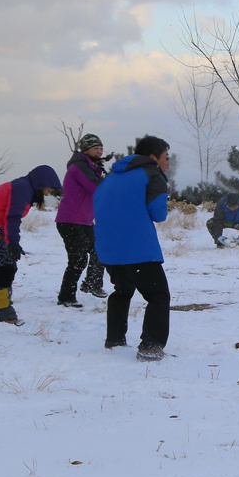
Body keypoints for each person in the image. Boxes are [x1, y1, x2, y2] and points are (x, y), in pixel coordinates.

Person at [93, 135, 172, 362]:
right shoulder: (152, 174)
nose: (168, 163)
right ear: (153, 157)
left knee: (122, 290)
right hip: (137, 248)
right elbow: (158, 214)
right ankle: (151, 346)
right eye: (166, 157)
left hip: (108, 248)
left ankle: (115, 340)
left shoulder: (111, 177)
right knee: (158, 295)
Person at [0, 165, 62, 326]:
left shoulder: (24, 187)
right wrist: (13, 243)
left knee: (6, 267)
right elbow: (12, 216)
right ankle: (3, 312)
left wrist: (12, 243)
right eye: (50, 186)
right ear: (42, 182)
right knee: (6, 269)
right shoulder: (23, 187)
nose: (50, 190)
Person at [55, 133, 108, 307]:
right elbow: (95, 187)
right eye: (96, 148)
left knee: (97, 251)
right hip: (70, 220)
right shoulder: (79, 166)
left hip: (83, 221)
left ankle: (92, 284)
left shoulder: (91, 166)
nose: (100, 151)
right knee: (78, 259)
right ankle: (66, 297)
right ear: (86, 150)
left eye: (101, 148)